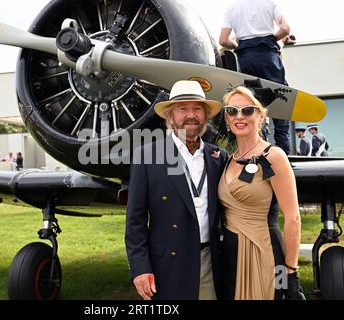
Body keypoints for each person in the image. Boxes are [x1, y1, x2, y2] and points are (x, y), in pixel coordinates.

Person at [125, 80, 228, 300]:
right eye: (183, 109)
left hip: (209, 261)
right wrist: (140, 268)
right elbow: (135, 219)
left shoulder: (218, 157)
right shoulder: (147, 156)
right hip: (166, 266)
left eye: (197, 108)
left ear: (206, 116)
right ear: (170, 116)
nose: (191, 115)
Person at [218, 86, 301, 300]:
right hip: (229, 257)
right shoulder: (228, 159)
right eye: (231, 111)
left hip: (263, 253)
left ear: (261, 115)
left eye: (247, 110)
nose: (239, 116)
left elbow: (293, 219)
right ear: (227, 119)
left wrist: (290, 274)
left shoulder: (274, 156)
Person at [219, 0, 292, 155]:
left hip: (246, 59)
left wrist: (237, 46)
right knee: (281, 102)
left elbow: (223, 40)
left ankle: (256, 153)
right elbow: (285, 29)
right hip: (268, 57)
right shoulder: (269, 4)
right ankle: (284, 157)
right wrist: (273, 38)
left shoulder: (232, 8)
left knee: (252, 106)